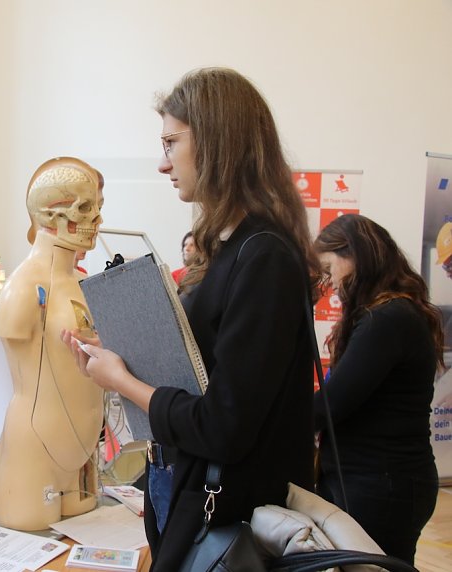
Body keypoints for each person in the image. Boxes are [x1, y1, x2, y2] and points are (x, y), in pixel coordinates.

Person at [62, 67, 317, 569]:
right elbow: (201, 379)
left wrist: (122, 380)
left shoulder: (263, 257)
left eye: (171, 143)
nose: (162, 164)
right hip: (188, 487)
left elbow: (223, 425)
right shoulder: (233, 250)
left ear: (218, 141)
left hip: (227, 508)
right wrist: (118, 362)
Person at [313, 213, 441, 564]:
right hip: (383, 480)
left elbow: (331, 404)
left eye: (329, 268)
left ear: (353, 254)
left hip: (383, 483)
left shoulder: (388, 318)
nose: (330, 283)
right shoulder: (392, 313)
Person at [0, 156, 105, 531]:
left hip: (84, 449)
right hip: (36, 449)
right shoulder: (22, 289)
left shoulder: (82, 284)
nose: (97, 221)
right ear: (48, 215)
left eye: (98, 208)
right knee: (30, 547)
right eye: (85, 209)